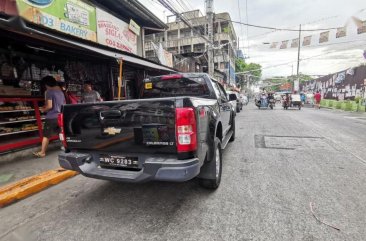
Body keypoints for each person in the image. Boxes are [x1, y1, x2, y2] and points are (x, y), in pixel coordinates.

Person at [33, 76, 65, 158]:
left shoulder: (49, 92)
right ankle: (66, 147)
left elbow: (50, 106)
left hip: (52, 117)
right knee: (61, 133)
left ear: (46, 84)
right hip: (60, 115)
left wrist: (43, 110)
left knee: (46, 135)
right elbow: (63, 103)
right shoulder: (60, 92)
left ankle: (42, 152)